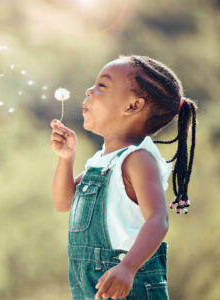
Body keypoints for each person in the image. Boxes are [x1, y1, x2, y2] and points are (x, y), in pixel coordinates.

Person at [50, 55, 197, 300]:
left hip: (130, 287)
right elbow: (64, 203)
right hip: (93, 287)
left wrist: (128, 267)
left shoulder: (138, 160)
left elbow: (158, 219)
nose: (89, 90)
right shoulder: (101, 161)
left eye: (101, 86)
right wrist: (66, 159)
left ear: (133, 106)